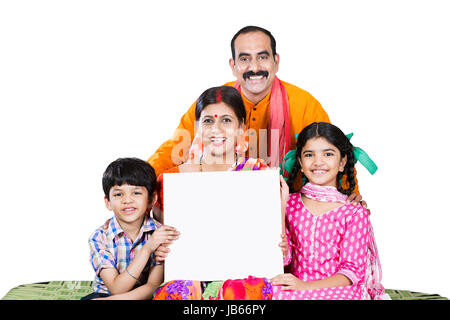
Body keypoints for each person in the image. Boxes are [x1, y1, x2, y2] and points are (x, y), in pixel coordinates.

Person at [148, 26, 330, 175]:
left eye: (262, 57)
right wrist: (140, 180)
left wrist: (349, 192)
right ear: (233, 65)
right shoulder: (216, 101)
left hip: (291, 205)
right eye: (244, 59)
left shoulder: (303, 103)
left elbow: (332, 152)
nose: (255, 67)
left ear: (276, 61)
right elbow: (176, 146)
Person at [152, 86, 272, 300]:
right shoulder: (172, 180)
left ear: (241, 126)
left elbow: (268, 233)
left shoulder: (258, 173)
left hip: (245, 275)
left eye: (226, 120)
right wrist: (160, 247)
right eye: (208, 121)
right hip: (188, 275)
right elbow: (161, 232)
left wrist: (278, 243)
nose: (216, 129)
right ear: (197, 126)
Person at [270, 122, 385, 300]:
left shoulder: (354, 213)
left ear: (342, 162)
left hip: (337, 291)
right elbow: (282, 260)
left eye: (328, 154)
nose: (318, 161)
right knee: (265, 293)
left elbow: (351, 274)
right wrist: (281, 205)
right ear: (300, 162)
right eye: (309, 155)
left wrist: (305, 288)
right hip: (293, 288)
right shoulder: (289, 204)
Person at [82, 157, 179, 300]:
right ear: (108, 202)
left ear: (152, 199)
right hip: (105, 294)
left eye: (136, 193)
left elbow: (152, 286)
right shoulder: (99, 237)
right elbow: (116, 289)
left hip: (142, 295)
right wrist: (148, 249)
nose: (127, 200)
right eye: (118, 194)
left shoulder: (159, 235)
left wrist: (149, 246)